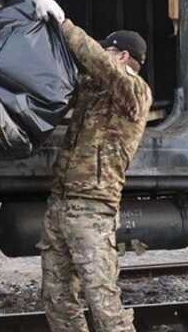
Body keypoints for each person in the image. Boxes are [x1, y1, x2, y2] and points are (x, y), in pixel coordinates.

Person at [39, 23, 153, 332]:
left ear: (123, 56)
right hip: (61, 202)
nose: (102, 53)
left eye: (109, 49)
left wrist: (64, 25)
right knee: (56, 297)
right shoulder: (93, 89)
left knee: (102, 301)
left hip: (93, 207)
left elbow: (100, 63)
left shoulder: (136, 91)